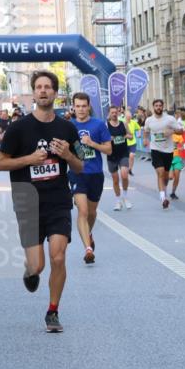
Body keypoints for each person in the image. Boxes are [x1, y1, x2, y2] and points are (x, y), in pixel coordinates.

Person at [0, 70, 83, 333]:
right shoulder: (18, 128)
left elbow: (79, 167)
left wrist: (67, 154)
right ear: (34, 93)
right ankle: (29, 269)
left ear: (55, 93)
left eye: (48, 87)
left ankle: (52, 312)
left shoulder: (67, 128)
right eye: (39, 87)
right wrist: (29, 160)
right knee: (38, 265)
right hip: (27, 201)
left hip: (58, 200)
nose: (43, 91)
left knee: (58, 257)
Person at [68, 93, 112, 264]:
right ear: (73, 107)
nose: (80, 109)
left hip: (95, 174)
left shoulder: (98, 125)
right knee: (83, 211)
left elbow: (108, 150)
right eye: (77, 106)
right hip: (77, 174)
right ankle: (88, 249)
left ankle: (89, 233)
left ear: (88, 107)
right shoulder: (68, 126)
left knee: (92, 213)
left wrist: (92, 143)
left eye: (83, 106)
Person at [143, 98, 185, 209]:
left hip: (168, 151)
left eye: (160, 105)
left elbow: (181, 130)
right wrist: (145, 139)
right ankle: (163, 198)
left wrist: (171, 131)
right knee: (160, 172)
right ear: (153, 107)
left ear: (163, 107)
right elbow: (146, 131)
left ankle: (164, 189)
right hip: (155, 150)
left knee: (166, 177)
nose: (158, 107)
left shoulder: (170, 119)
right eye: (156, 105)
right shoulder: (149, 120)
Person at [106, 106, 132, 211]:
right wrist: (109, 139)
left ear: (118, 113)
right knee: (115, 179)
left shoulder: (123, 124)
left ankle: (125, 197)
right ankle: (118, 201)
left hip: (123, 153)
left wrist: (125, 136)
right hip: (111, 155)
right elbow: (102, 139)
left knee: (124, 175)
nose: (114, 114)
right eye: (112, 112)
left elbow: (131, 136)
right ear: (109, 114)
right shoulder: (106, 126)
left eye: (116, 112)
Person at [125, 108, 140, 175]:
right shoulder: (122, 122)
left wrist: (139, 134)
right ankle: (125, 168)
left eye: (130, 117)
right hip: (124, 143)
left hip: (132, 142)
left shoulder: (133, 122)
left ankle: (130, 169)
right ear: (125, 116)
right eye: (128, 117)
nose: (129, 118)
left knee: (131, 156)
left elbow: (139, 128)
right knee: (125, 157)